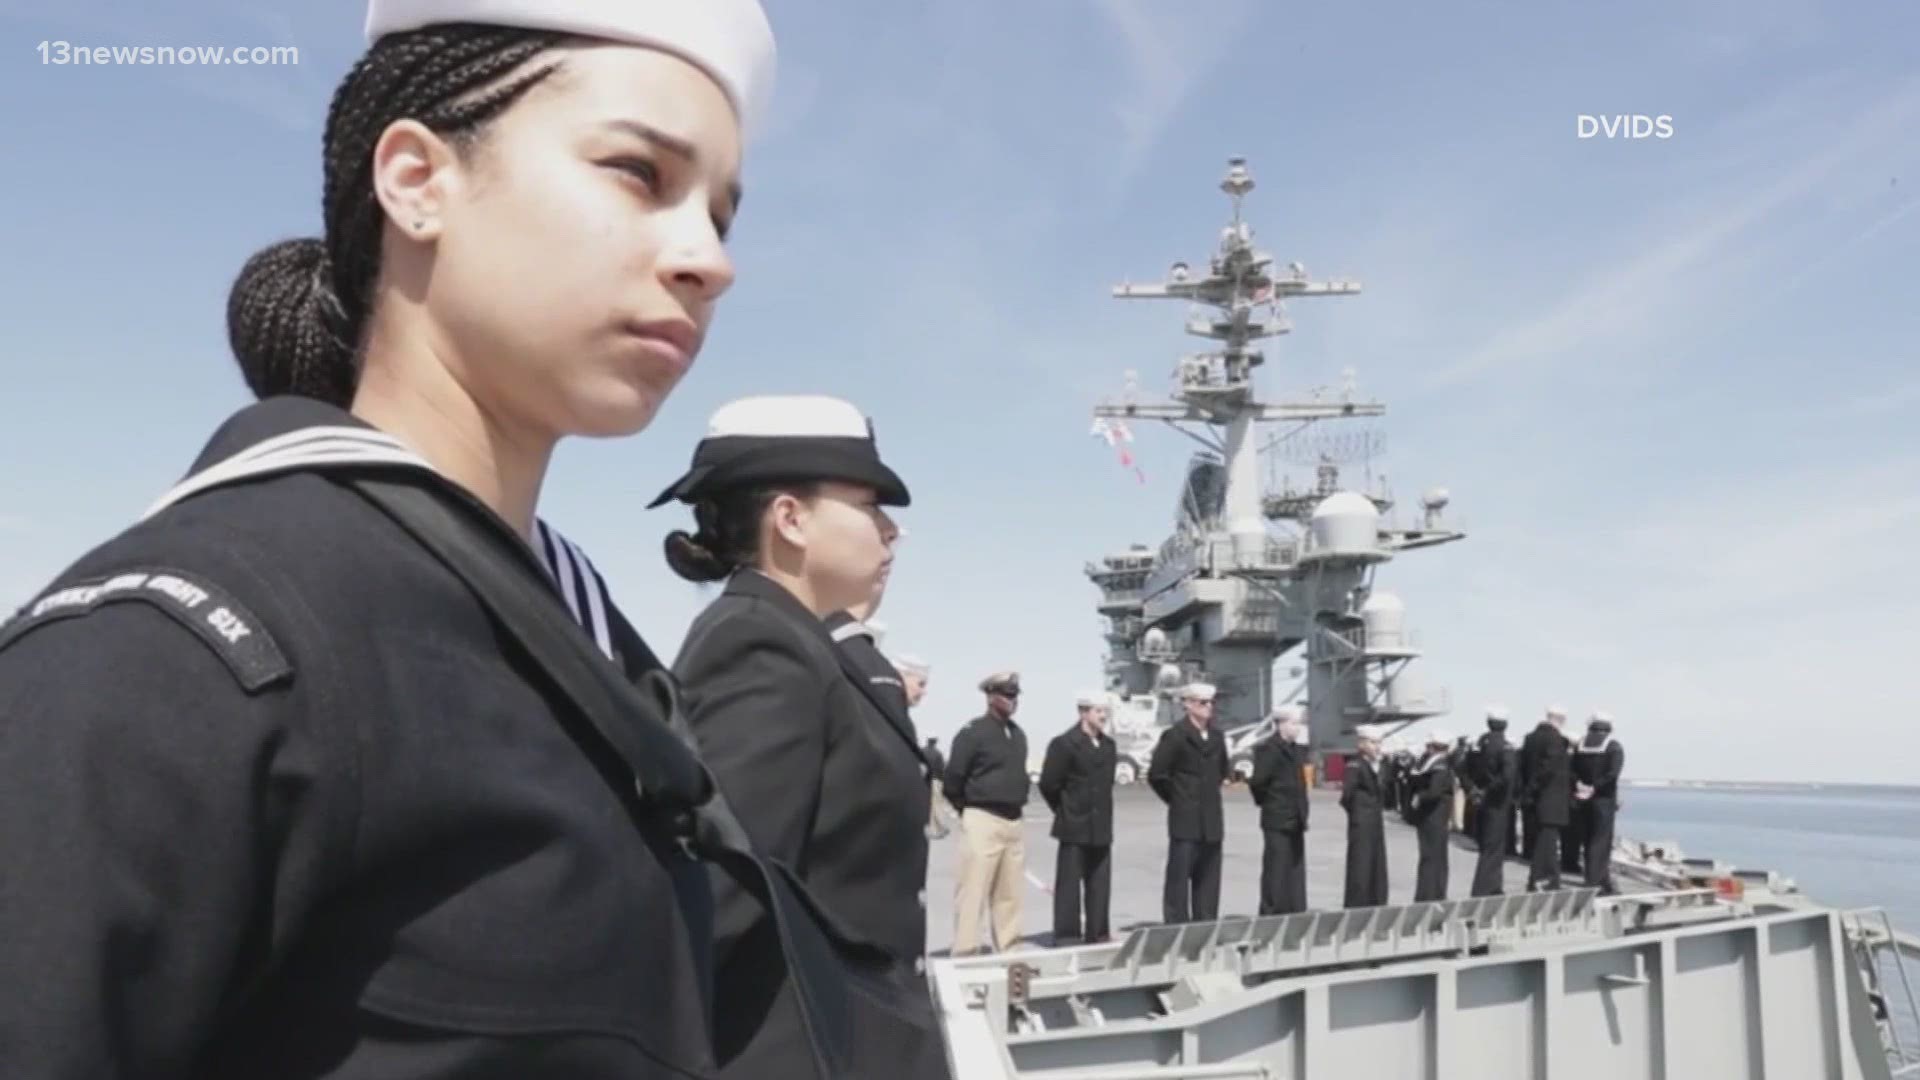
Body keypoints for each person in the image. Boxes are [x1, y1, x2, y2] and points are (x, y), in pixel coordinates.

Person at [0, 2, 799, 1076]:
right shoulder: (188, 648)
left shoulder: (587, 645)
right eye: (638, 174)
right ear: (418, 180)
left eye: (721, 214)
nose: (708, 259)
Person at [652, 394, 945, 1076]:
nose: (890, 531)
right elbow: (719, 898)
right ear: (790, 518)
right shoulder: (759, 644)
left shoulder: (803, 642)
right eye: (870, 506)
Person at [945, 671, 1032, 954]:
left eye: (1015, 695)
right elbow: (953, 779)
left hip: (1013, 821)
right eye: (1007, 695)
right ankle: (967, 952)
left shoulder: (1017, 734)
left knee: (1009, 895)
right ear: (991, 697)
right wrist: (968, 810)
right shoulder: (973, 733)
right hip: (983, 818)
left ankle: (1010, 950)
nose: (1012, 700)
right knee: (973, 891)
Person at [1038, 691, 1119, 944]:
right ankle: (1067, 935)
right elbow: (1049, 784)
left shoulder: (1109, 746)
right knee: (1069, 885)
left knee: (1100, 883)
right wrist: (1065, 809)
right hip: (1074, 824)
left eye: (1105, 711)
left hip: (1101, 825)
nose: (1103, 716)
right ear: (1083, 712)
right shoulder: (1064, 744)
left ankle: (1098, 932)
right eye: (1098, 711)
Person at [1148, 681, 1230, 923]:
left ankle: (1205, 927)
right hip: (1185, 819)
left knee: (1209, 879)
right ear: (1189, 705)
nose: (1209, 707)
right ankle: (1176, 927)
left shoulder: (1217, 736)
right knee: (1179, 877)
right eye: (1203, 703)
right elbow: (1158, 775)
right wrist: (1178, 799)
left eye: (1211, 702)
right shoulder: (1175, 736)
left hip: (1211, 818)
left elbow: (1222, 770)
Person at [1249, 705, 1310, 915]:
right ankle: (1271, 913)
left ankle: (1295, 911)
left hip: (1296, 818)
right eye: (1295, 724)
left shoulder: (1295, 750)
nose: (1298, 728)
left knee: (1295, 870)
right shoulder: (1269, 749)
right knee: (1276, 869)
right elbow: (1258, 782)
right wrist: (1270, 803)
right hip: (1277, 817)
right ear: (1282, 724)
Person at [1519, 705, 1574, 891]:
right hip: (1551, 800)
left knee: (1541, 842)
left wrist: (1527, 792)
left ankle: (1538, 878)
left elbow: (1524, 767)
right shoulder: (1555, 740)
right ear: (1561, 720)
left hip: (1535, 800)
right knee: (1548, 844)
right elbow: (1548, 769)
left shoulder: (1530, 738)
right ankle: (1546, 880)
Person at [1572, 711, 1625, 894]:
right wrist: (1595, 787)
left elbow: (1572, 770)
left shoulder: (1580, 745)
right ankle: (1595, 882)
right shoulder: (1613, 746)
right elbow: (1613, 774)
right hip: (1603, 799)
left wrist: (1581, 786)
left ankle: (1598, 877)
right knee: (1601, 841)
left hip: (1583, 798)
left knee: (1587, 839)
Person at [1469, 706, 1519, 897]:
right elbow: (1507, 776)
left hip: (1482, 801)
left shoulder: (1479, 744)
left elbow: (1463, 767)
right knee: (1494, 847)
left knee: (1487, 845)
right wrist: (1488, 790)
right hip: (1497, 801)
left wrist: (1473, 788)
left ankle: (1492, 885)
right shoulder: (1505, 747)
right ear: (1505, 725)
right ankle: (1485, 888)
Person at [1341, 725, 1390, 907]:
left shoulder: (1377, 765)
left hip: (1375, 821)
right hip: (1361, 822)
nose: (1376, 747)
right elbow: (1347, 795)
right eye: (1372, 742)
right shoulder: (1356, 765)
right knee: (1360, 864)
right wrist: (1358, 814)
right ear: (1361, 743)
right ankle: (1358, 903)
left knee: (1376, 863)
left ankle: (1375, 899)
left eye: (1379, 743)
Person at [1409, 729, 1456, 902]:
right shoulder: (1440, 765)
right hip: (1435, 817)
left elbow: (1430, 790)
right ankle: (1433, 893)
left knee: (1431, 857)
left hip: (1432, 817)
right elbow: (1435, 792)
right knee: (1434, 857)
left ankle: (1430, 893)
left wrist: (1418, 797)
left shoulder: (1432, 765)